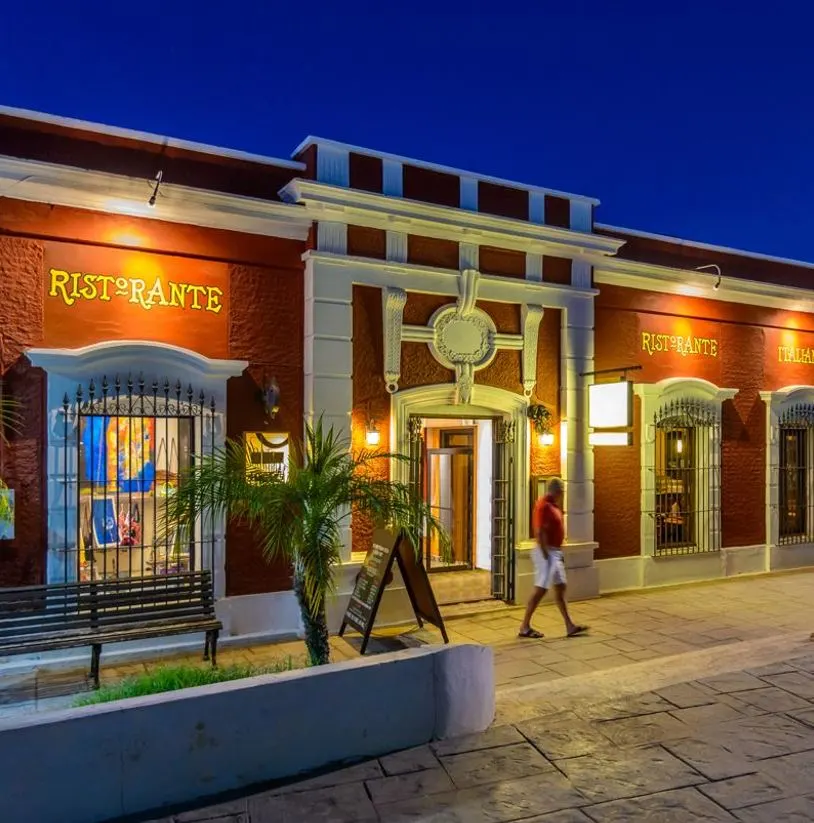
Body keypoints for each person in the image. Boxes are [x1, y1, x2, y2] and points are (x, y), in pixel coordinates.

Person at [518, 477, 587, 639]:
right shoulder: (544, 506)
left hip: (554, 553)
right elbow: (540, 530)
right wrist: (545, 555)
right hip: (546, 552)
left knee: (560, 586)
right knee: (540, 590)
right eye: (562, 491)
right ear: (557, 491)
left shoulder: (553, 506)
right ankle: (524, 626)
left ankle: (569, 625)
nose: (563, 494)